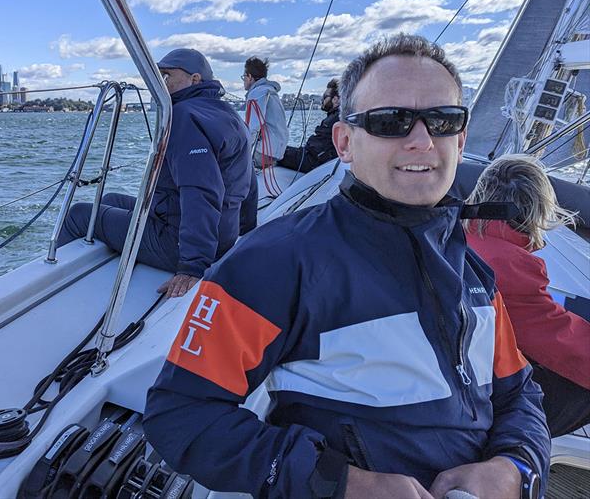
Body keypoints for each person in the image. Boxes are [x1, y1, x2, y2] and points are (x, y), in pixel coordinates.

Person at [143, 34, 549, 499]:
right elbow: (180, 414)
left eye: (441, 120)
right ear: (344, 142)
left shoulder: (473, 273)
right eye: (391, 121)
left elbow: (519, 394)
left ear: (460, 138)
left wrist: (516, 466)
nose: (421, 141)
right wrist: (342, 483)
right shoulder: (271, 263)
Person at [57, 48, 254, 298]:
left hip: (180, 243)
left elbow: (201, 191)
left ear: (194, 79)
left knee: (79, 214)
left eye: (167, 76)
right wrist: (245, 234)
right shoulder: (226, 113)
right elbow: (248, 181)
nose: (160, 84)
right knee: (109, 201)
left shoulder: (184, 115)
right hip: (220, 233)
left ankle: (57, 290)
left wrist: (192, 265)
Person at [465, 154, 590, 438]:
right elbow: (558, 340)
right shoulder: (511, 265)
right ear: (535, 211)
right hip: (478, 411)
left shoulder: (454, 238)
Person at [277, 79, 340, 173]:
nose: (322, 100)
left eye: (325, 96)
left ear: (335, 99)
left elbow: (320, 151)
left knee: (276, 152)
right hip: (313, 157)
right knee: (281, 150)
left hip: (313, 162)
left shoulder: (335, 120)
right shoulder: (336, 117)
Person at [243, 57, 288, 169]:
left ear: (249, 77)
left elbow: (253, 127)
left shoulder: (257, 93)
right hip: (276, 151)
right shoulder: (270, 91)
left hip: (261, 153)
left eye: (244, 77)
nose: (243, 80)